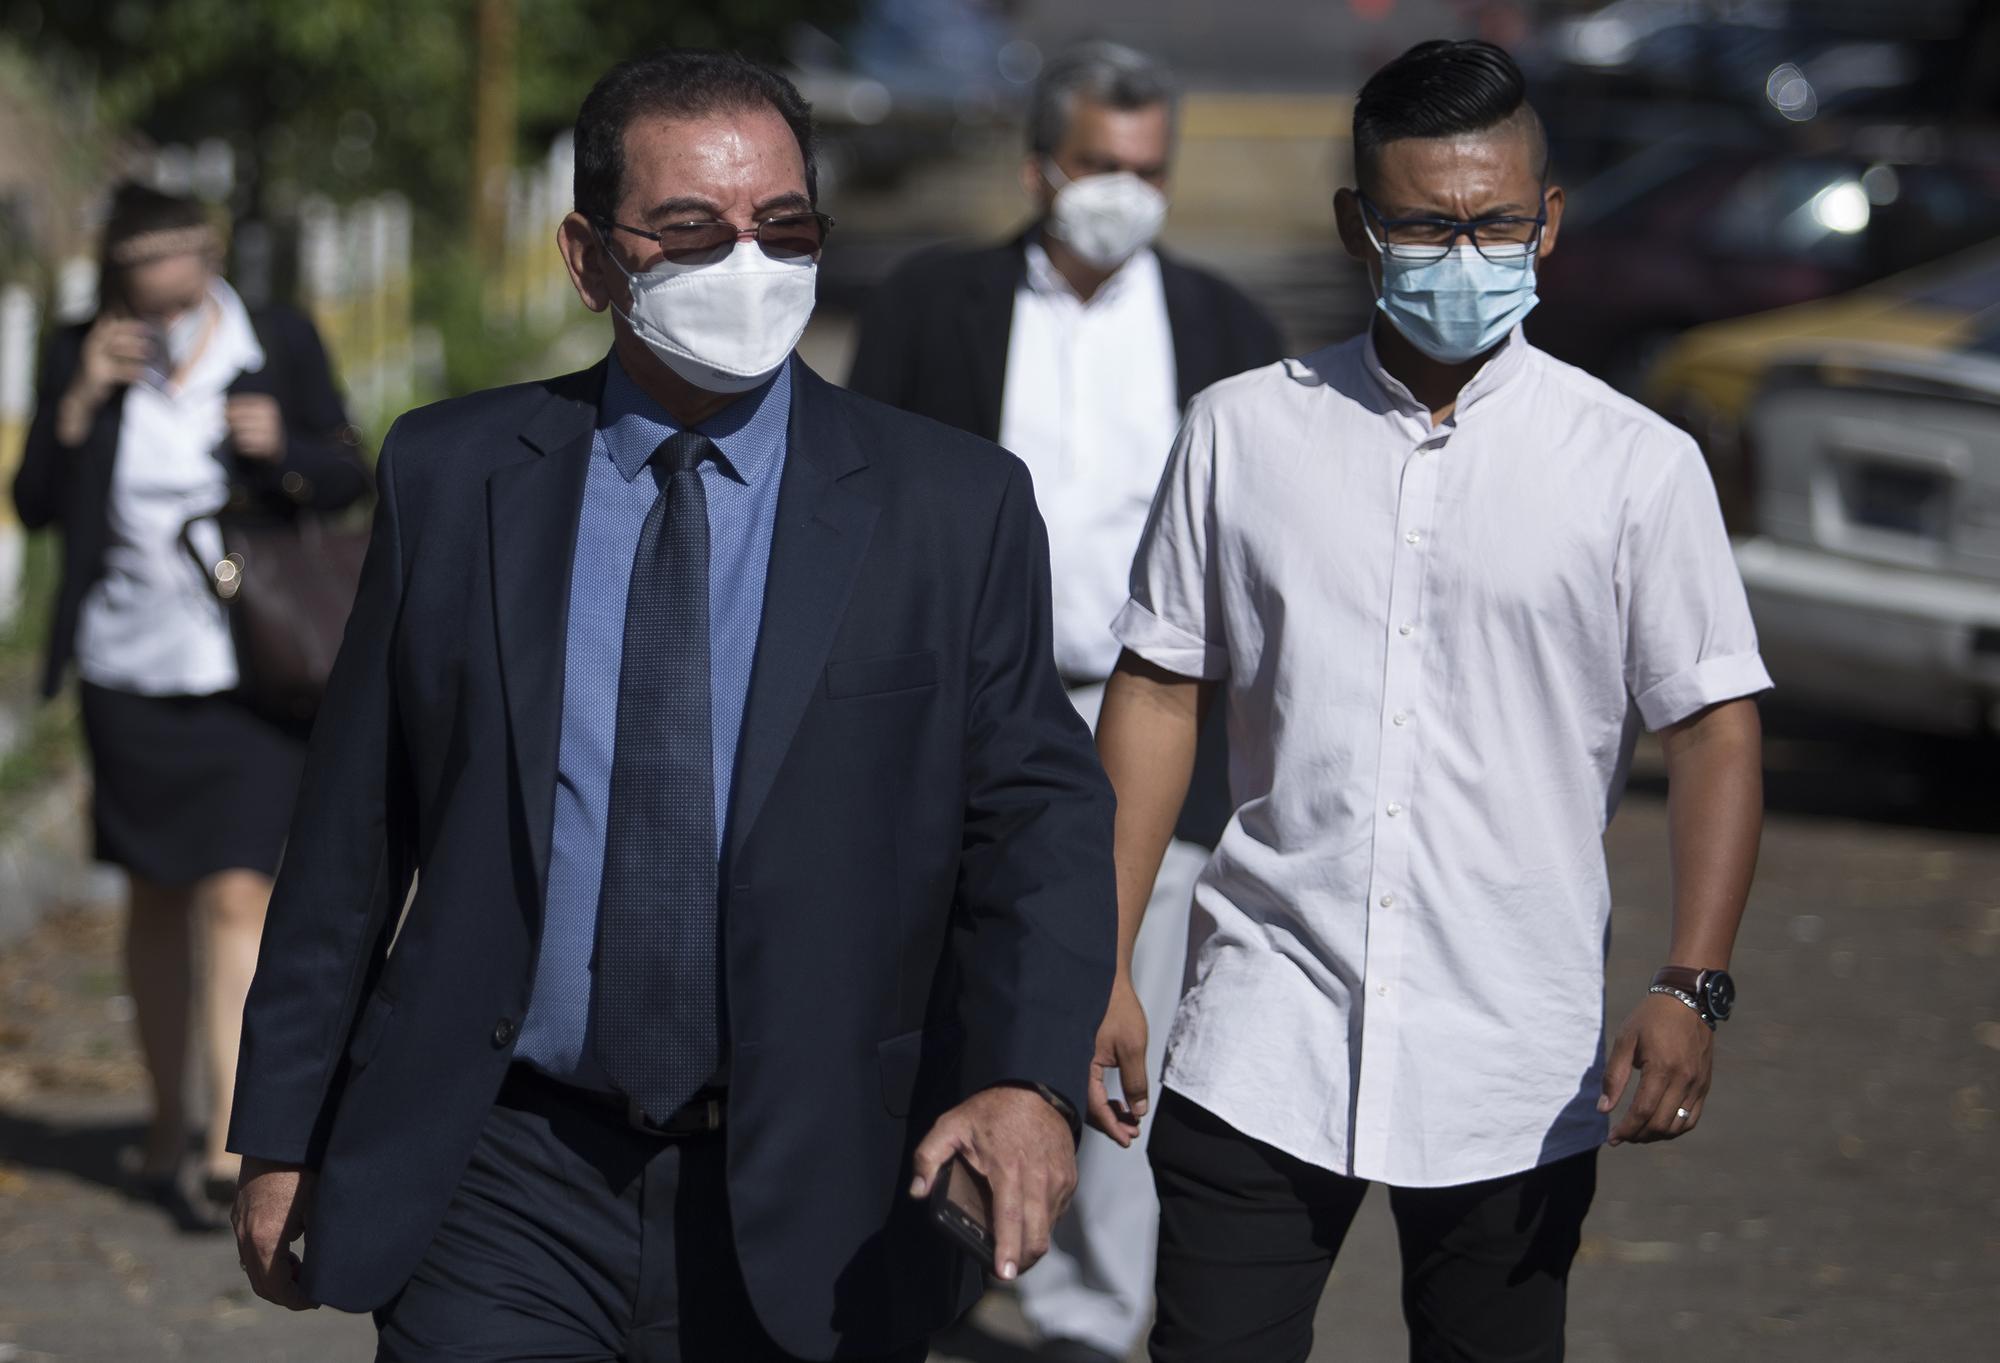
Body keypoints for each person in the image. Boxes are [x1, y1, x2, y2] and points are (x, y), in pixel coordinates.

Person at [227, 48, 1116, 1363]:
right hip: (502, 1166)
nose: (746, 264)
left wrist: (1026, 1072)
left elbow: (1034, 817)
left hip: (822, 1179)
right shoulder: (458, 472)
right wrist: (285, 1126)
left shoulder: (949, 506)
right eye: (692, 230)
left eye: (787, 227)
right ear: (590, 259)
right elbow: (357, 827)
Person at [1089, 40, 1769, 1362]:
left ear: (1549, 220)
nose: (1466, 252)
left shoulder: (1639, 468)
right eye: (1427, 224)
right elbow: (1161, 687)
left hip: (1515, 1053)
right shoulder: (1241, 432)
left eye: (1497, 222)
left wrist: (1697, 984)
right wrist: (1099, 954)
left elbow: (1713, 725)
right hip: (1261, 1031)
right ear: (1359, 226)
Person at [848, 42, 1279, 1363]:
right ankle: (921, 1257)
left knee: (1118, 1017)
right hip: (968, 718)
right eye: (1100, 164)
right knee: (931, 999)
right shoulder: (937, 304)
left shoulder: (1223, 325)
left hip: (1154, 728)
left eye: (1148, 171)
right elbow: (859, 499)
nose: (1122, 193)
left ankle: (1093, 1313)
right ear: (1043, 163)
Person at [12, 183, 367, 1232]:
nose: (164, 277)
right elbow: (35, 501)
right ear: (115, 265)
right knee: (156, 894)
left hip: (254, 669)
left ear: (210, 252)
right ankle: (166, 1117)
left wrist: (281, 454)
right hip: (128, 665)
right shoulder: (84, 346)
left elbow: (346, 472)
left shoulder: (279, 341)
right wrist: (79, 399)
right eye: (142, 259)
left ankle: (223, 1148)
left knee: (236, 894)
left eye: (181, 253)